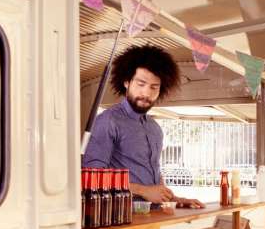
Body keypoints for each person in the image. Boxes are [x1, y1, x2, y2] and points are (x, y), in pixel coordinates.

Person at [82, 44, 204, 208]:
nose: (146, 93)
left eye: (154, 87)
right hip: (119, 218)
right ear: (126, 81)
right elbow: (92, 177)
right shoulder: (107, 121)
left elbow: (154, 175)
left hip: (152, 217)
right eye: (141, 84)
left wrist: (175, 199)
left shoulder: (155, 129)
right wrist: (143, 191)